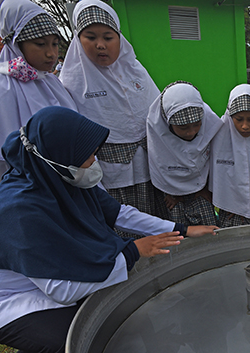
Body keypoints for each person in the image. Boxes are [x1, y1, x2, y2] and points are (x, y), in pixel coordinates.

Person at [0, 107, 217, 353]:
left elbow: (120, 214)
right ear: (59, 155)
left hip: (41, 281)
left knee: (108, 311)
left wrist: (180, 229)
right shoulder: (19, 211)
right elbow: (61, 289)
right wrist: (132, 252)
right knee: (74, 336)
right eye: (89, 154)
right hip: (2, 301)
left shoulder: (56, 175)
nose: (94, 161)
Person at [60, 0, 160, 218]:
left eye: (107, 37)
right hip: (109, 176)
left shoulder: (136, 71)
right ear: (78, 39)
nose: (100, 45)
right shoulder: (73, 82)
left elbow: (157, 110)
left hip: (150, 168)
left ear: (119, 38)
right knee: (122, 221)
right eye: (91, 37)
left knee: (155, 220)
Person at [0, 0, 77, 183]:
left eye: (55, 44)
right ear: (15, 43)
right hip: (35, 186)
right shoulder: (1, 88)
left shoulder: (50, 80)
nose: (51, 53)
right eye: (40, 44)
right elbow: (1, 157)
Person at [147, 82, 222, 226]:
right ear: (168, 124)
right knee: (177, 228)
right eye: (183, 128)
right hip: (170, 196)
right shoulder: (158, 135)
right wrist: (171, 191)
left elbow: (217, 162)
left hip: (204, 192)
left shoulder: (212, 128)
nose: (191, 132)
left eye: (197, 124)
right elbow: (159, 165)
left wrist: (207, 189)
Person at [210, 84, 250, 227]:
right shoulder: (219, 136)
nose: (245, 126)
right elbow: (219, 173)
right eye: (238, 119)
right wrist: (233, 204)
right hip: (230, 211)